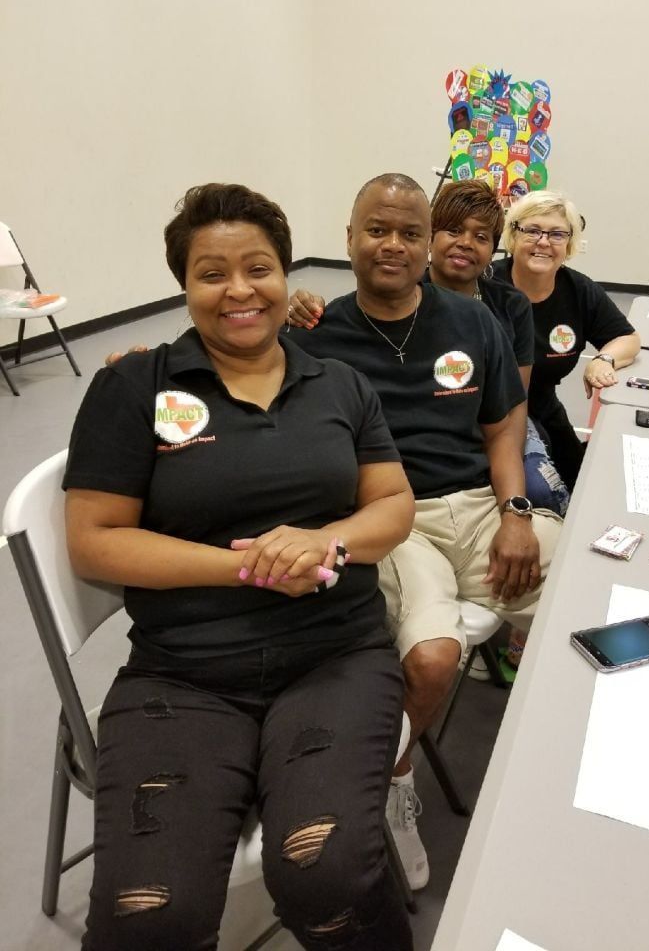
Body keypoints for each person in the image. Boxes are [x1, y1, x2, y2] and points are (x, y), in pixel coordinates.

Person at [64, 183, 416, 951]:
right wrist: (250, 567)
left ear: (286, 277)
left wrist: (330, 542)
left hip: (335, 655)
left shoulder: (339, 385)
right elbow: (94, 541)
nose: (239, 291)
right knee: (149, 917)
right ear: (184, 285)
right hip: (183, 671)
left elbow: (392, 504)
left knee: (323, 872)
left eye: (258, 268)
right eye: (211, 273)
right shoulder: (135, 386)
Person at [286, 173, 562, 889]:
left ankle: (573, 789)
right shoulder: (313, 334)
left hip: (476, 504)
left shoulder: (474, 323)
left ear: (424, 244)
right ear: (348, 239)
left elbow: (504, 426)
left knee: (589, 597)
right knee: (435, 658)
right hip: (391, 518)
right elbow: (229, 377)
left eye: (408, 231)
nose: (394, 244)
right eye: (377, 229)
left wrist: (516, 513)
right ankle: (395, 786)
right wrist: (140, 371)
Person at [289, 180, 569, 518]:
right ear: (433, 241)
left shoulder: (495, 311)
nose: (465, 244)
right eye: (378, 230)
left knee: (547, 499)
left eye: (481, 238)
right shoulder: (339, 323)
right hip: (402, 504)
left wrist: (510, 504)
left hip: (480, 455)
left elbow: (510, 411)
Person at [492, 190, 641, 490]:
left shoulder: (579, 290)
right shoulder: (486, 284)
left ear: (570, 243)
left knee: (585, 485)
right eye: (532, 231)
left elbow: (628, 338)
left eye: (557, 234)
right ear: (512, 234)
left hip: (544, 409)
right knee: (538, 489)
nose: (544, 242)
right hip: (490, 415)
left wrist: (604, 358)